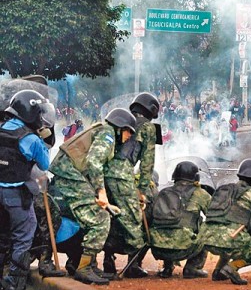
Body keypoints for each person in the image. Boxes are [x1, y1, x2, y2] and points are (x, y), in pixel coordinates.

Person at [49, 108, 136, 285]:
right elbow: (94, 163)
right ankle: (84, 268)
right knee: (100, 218)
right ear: (120, 127)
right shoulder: (108, 133)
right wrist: (101, 193)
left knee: (89, 217)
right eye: (128, 132)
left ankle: (86, 264)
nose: (128, 137)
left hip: (68, 174)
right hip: (70, 175)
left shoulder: (101, 130)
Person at [0, 87, 55, 290]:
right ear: (30, 112)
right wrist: (43, 137)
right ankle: (14, 282)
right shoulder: (30, 139)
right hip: (16, 196)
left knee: (2, 236)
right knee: (23, 237)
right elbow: (44, 164)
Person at [102, 92, 159, 278]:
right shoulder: (148, 128)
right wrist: (142, 190)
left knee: (110, 216)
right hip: (122, 176)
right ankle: (133, 265)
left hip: (104, 174)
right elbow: (147, 162)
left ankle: (107, 259)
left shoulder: (121, 121)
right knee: (135, 219)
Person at [201, 159, 251, 285]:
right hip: (230, 240)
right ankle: (232, 267)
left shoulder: (223, 189)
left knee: (231, 236)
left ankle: (218, 271)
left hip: (206, 240)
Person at [151, 161, 211, 279]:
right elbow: (213, 215)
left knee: (167, 228)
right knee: (207, 228)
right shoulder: (200, 193)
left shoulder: (164, 192)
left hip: (158, 248)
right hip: (183, 249)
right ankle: (192, 267)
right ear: (195, 177)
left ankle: (167, 267)